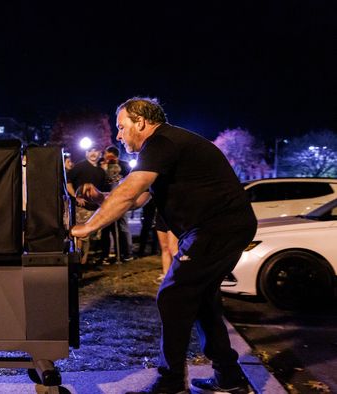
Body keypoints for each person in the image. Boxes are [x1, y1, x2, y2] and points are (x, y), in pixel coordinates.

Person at [72, 97, 257, 394]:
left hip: (216, 229)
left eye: (121, 127)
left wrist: (87, 227)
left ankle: (171, 383)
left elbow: (131, 190)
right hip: (218, 229)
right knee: (202, 302)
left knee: (172, 295)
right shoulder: (165, 147)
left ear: (141, 122)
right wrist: (100, 201)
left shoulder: (162, 142)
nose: (118, 136)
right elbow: (137, 197)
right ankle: (230, 378)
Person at [66, 144, 108, 267]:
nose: (93, 153)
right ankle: (78, 263)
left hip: (97, 208)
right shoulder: (80, 167)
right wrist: (75, 197)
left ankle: (86, 260)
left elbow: (104, 189)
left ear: (100, 153)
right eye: (90, 151)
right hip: (82, 208)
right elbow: (67, 182)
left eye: (96, 151)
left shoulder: (101, 171)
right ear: (86, 153)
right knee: (81, 236)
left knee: (93, 237)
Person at [99, 145, 134, 262]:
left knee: (123, 226)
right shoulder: (102, 165)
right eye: (106, 156)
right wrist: (103, 170)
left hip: (121, 199)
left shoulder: (124, 166)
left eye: (110, 157)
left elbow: (130, 181)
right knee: (105, 227)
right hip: (106, 200)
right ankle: (107, 252)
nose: (108, 159)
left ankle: (127, 252)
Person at [154, 212, 178, 284]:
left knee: (173, 248)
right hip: (161, 216)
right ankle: (166, 275)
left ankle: (178, 275)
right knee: (165, 248)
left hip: (174, 216)